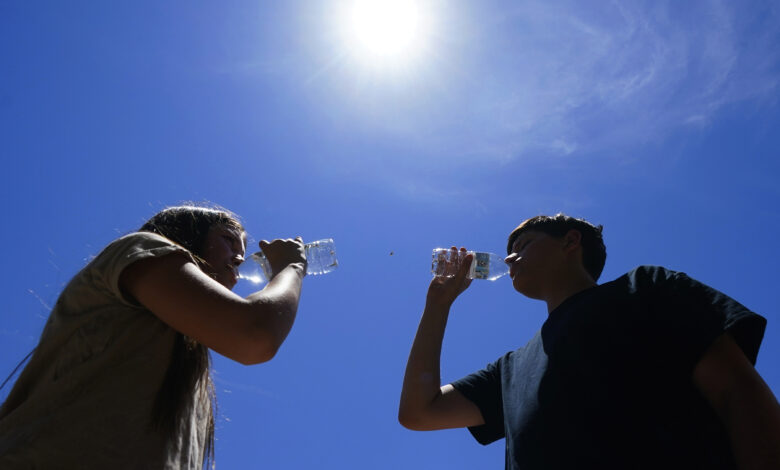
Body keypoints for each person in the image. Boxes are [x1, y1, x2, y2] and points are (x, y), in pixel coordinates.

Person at [399, 214, 780, 469]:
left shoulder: (645, 288)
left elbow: (737, 391)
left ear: (570, 241)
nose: (510, 259)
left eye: (524, 244)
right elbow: (420, 412)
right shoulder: (511, 369)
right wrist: (438, 305)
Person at [0, 205, 308, 469]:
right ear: (187, 234)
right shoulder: (140, 248)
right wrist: (291, 266)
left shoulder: (187, 357)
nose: (239, 257)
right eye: (228, 240)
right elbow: (255, 335)